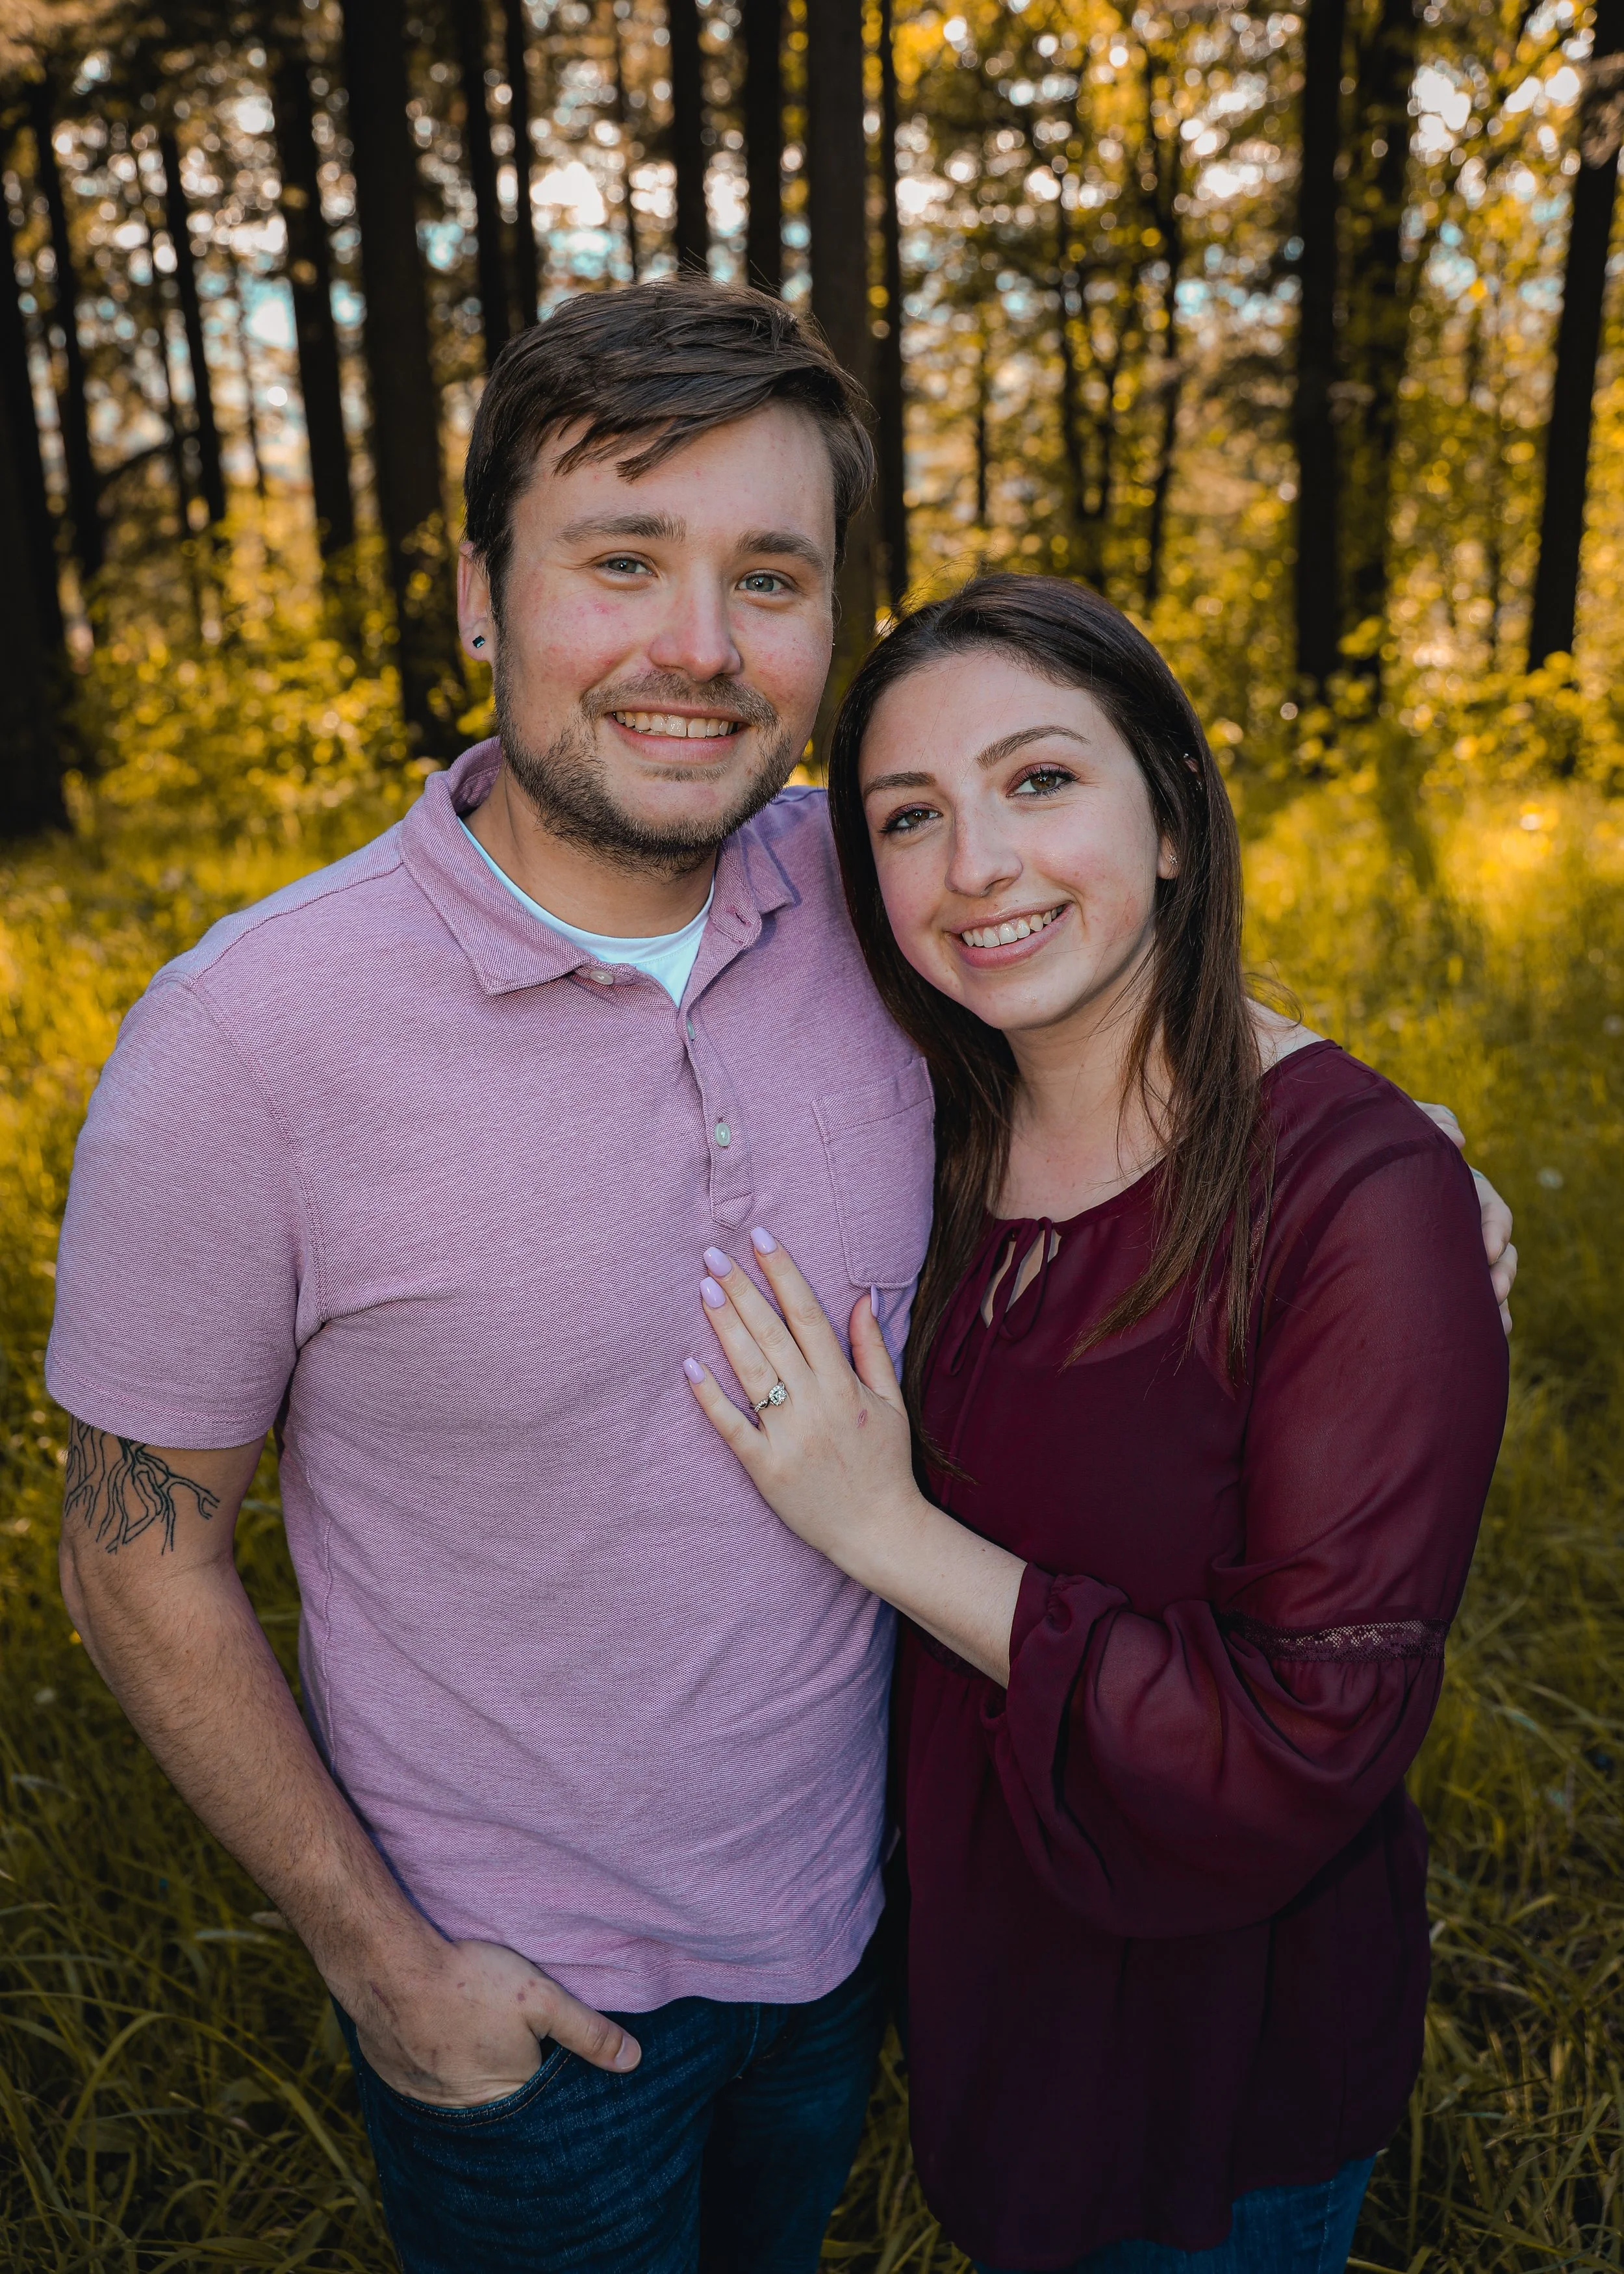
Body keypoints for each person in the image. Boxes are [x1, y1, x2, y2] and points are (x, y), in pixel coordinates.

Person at [47, 282, 1510, 2274]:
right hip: (523, 2006)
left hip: (862, 1941)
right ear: (480, 599)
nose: (696, 649)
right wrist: (382, 1961)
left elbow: (1089, 939)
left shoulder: (861, 881)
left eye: (767, 575)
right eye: (621, 559)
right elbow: (135, 1548)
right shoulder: (244, 1040)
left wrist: (1386, 1148)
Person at [681, 573, 1512, 2274]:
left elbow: (1302, 1733)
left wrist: (887, 1530)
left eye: (1040, 780)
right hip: (995, 1993)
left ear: (1175, 822)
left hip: (1216, 2058)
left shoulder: (1356, 1197)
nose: (974, 862)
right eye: (909, 816)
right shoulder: (936, 1144)